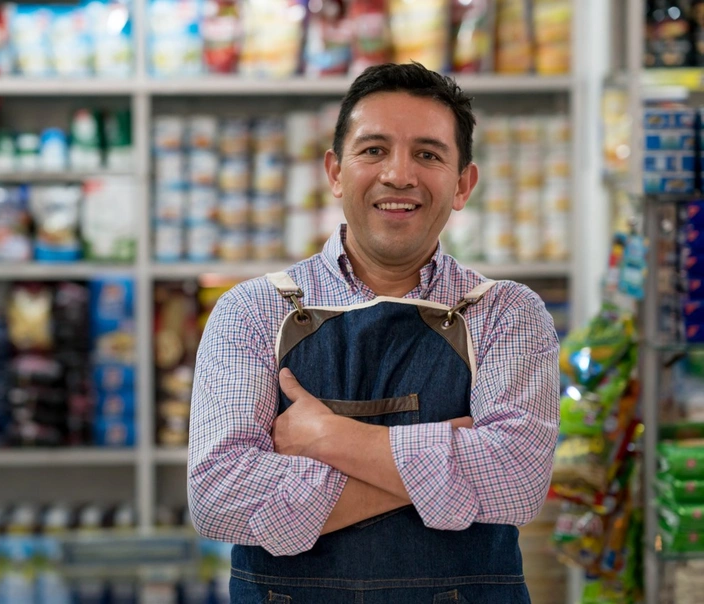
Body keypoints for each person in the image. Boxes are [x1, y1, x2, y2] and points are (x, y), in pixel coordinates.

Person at [187, 62, 560, 604]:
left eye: (428, 155)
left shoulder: (507, 312)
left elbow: (519, 483)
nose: (399, 175)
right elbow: (218, 497)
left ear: (462, 184)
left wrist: (328, 438)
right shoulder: (251, 311)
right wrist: (450, 466)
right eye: (374, 150)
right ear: (336, 172)